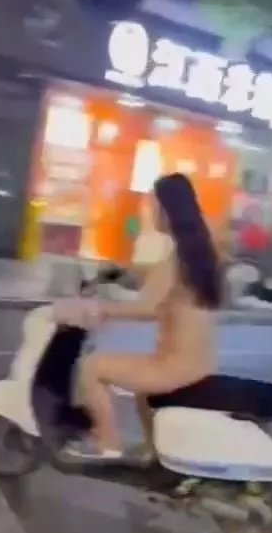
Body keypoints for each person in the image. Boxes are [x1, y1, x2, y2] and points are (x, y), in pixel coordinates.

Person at [54, 172, 222, 460]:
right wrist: (120, 274)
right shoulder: (200, 254)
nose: (151, 212)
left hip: (172, 368)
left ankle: (108, 444)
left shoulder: (174, 262)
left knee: (92, 367)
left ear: (167, 211)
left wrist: (101, 309)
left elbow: (148, 309)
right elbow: (155, 283)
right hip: (198, 365)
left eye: (154, 205)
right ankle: (154, 451)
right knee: (142, 390)